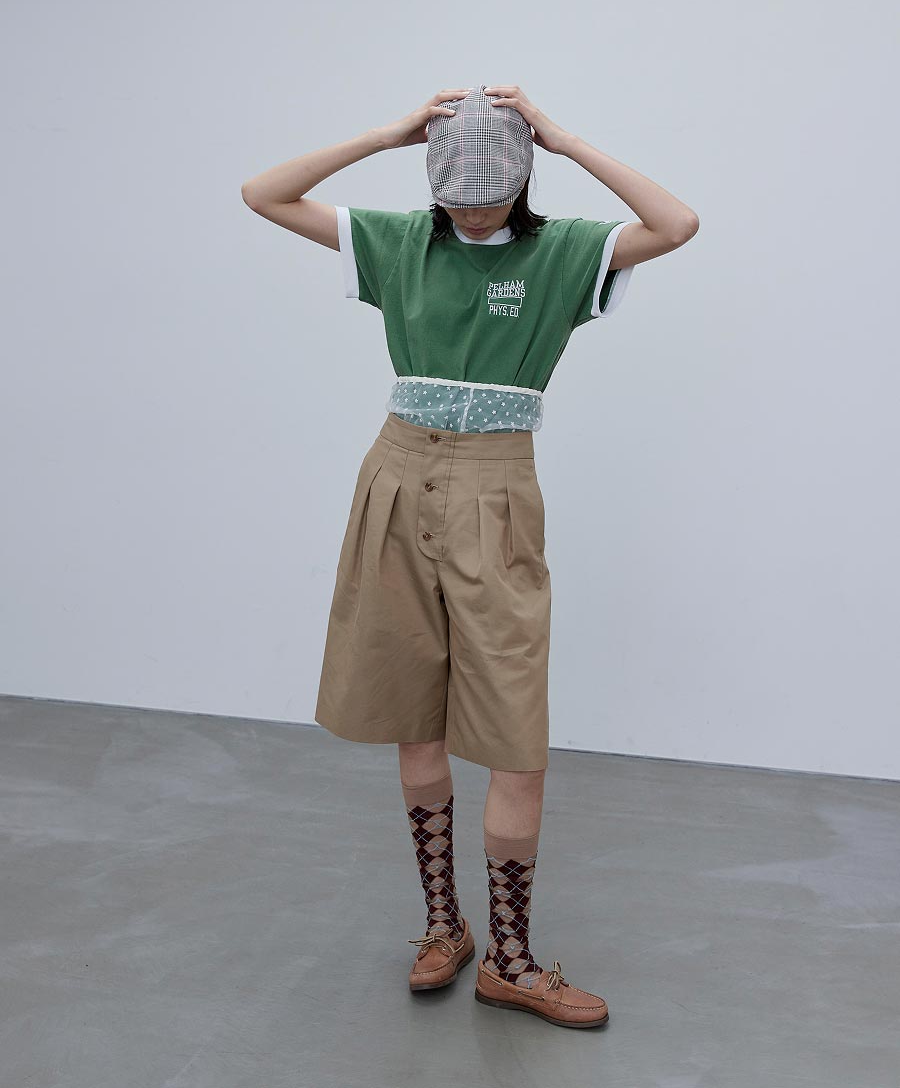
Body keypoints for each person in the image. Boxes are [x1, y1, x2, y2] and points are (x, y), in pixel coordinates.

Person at [241, 84, 699, 1029]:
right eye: (455, 193)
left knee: (514, 734)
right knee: (415, 714)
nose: (474, 209)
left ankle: (513, 959)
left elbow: (677, 223)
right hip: (395, 472)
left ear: (524, 178)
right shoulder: (401, 241)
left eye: (490, 193)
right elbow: (264, 194)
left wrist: (564, 137)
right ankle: (443, 926)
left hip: (497, 483)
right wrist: (386, 133)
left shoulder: (563, 251)